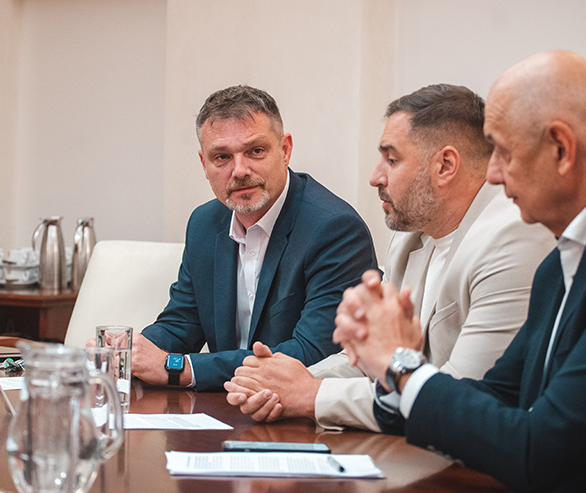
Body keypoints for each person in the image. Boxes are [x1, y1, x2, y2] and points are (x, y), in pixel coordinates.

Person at [224, 84, 555, 429]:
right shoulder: (410, 235)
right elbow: (375, 360)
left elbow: (464, 394)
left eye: (392, 159)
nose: (375, 177)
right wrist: (283, 383)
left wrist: (311, 395)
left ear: (445, 165)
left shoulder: (512, 237)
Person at [333, 50, 586, 491]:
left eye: (503, 152)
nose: (492, 175)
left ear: (561, 150)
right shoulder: (556, 268)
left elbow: (539, 450)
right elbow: (494, 396)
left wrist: (399, 364)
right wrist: (392, 367)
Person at [132, 85, 377, 391]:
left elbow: (312, 353)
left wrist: (178, 368)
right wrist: (127, 352)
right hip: (223, 406)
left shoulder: (335, 229)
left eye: (256, 151)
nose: (239, 170)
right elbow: (181, 324)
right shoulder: (204, 223)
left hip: (298, 410)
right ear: (204, 164)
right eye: (222, 157)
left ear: (285, 150)